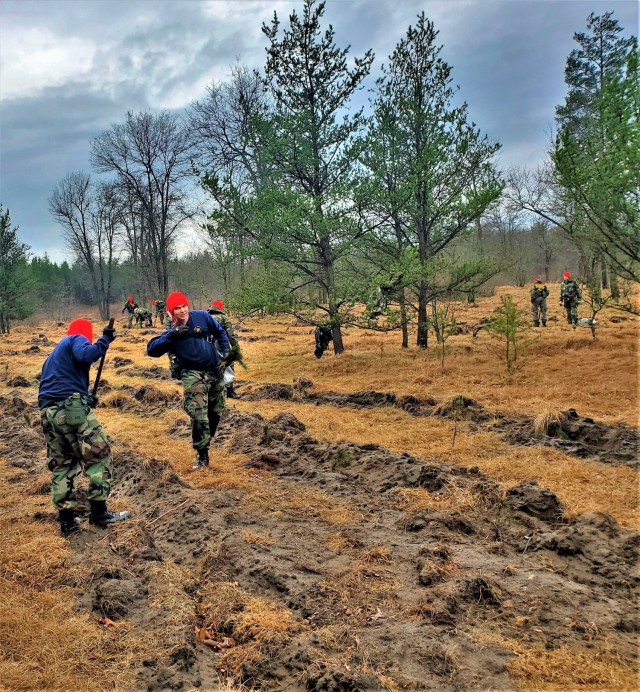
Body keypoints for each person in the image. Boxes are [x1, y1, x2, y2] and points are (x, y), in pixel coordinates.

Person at [38, 318, 130, 536]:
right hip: (69, 408)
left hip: (48, 411)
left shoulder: (54, 355)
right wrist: (104, 340)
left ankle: (67, 522)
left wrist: (86, 398)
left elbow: (60, 383)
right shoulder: (76, 338)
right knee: (100, 455)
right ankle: (99, 513)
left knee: (63, 464)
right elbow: (87, 355)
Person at [147, 291, 230, 470]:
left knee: (216, 411)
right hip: (192, 374)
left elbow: (220, 332)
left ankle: (207, 439)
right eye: (177, 308)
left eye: (184, 306)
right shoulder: (171, 332)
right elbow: (152, 349)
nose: (183, 310)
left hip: (215, 370)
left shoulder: (202, 317)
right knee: (199, 415)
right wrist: (172, 335)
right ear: (171, 312)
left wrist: (225, 353)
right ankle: (202, 455)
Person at [207, 300, 243, 399]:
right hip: (221, 347)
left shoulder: (206, 317)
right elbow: (231, 335)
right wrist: (236, 349)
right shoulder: (224, 318)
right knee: (228, 366)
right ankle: (230, 391)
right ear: (220, 308)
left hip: (206, 348)